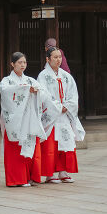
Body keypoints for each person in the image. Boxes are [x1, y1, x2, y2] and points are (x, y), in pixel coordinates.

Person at [0, 52, 47, 187]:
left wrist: (36, 91)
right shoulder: (7, 81)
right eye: (19, 62)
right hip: (15, 121)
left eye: (24, 62)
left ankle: (30, 177)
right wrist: (26, 90)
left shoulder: (30, 80)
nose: (22, 65)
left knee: (31, 147)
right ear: (12, 64)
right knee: (15, 149)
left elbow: (43, 92)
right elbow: (5, 91)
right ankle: (17, 179)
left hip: (29, 119)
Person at [37, 46, 85, 183]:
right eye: (55, 57)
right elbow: (44, 95)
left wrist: (67, 106)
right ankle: (50, 173)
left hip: (64, 115)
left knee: (65, 142)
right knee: (50, 145)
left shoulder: (66, 76)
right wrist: (58, 107)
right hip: (52, 116)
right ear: (48, 59)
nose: (58, 60)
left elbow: (73, 94)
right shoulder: (43, 76)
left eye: (60, 57)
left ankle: (63, 171)